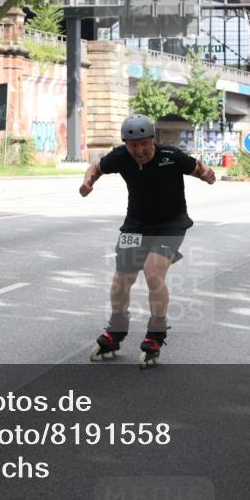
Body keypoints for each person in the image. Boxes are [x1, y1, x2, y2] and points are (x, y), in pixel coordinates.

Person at [80, 114, 216, 368]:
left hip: (170, 224)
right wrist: (88, 181)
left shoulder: (171, 156)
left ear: (152, 140)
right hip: (136, 225)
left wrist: (207, 174)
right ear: (126, 144)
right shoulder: (120, 156)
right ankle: (116, 330)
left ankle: (156, 333)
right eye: (133, 145)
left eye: (144, 143)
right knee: (122, 278)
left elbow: (198, 168)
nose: (139, 150)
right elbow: (96, 168)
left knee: (153, 273)